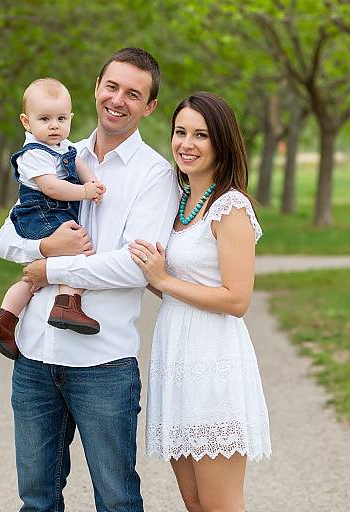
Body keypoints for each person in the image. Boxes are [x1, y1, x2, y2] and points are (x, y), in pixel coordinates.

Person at [0, 48, 180, 511]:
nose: (119, 100)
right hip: (36, 356)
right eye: (112, 87)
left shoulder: (155, 175)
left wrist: (48, 270)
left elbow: (132, 265)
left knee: (116, 501)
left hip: (103, 365)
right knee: (37, 501)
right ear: (97, 87)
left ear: (149, 106)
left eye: (134, 94)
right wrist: (44, 249)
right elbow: (6, 238)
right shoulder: (57, 152)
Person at [129, 92, 271, 512]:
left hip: (214, 361)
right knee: (194, 503)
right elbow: (173, 282)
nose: (186, 143)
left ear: (221, 142)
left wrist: (163, 280)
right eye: (180, 132)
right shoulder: (179, 202)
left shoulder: (230, 207)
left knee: (221, 505)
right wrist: (148, 276)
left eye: (201, 135)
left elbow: (237, 298)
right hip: (176, 359)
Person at [0, 78, 106, 360]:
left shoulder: (65, 146)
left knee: (34, 280)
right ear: (26, 122)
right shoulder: (34, 154)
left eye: (61, 118)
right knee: (79, 250)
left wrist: (94, 181)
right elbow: (51, 187)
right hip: (41, 215)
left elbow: (77, 163)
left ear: (71, 118)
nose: (54, 126)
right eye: (45, 119)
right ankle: (67, 303)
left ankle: (4, 319)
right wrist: (84, 191)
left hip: (49, 215)